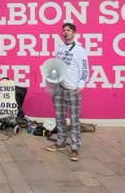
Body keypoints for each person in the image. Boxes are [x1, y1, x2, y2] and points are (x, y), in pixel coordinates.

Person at [45, 23, 89, 161]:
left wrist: (81, 84)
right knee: (59, 117)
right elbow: (55, 67)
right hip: (58, 88)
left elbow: (85, 69)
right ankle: (61, 142)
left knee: (74, 120)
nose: (65, 32)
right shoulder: (59, 50)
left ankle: (75, 148)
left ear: (74, 33)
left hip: (73, 89)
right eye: (64, 30)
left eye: (68, 30)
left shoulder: (80, 50)